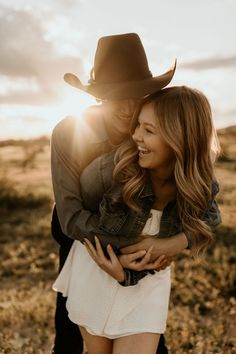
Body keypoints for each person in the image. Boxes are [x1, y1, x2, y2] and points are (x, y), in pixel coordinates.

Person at [53, 86, 221, 354]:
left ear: (180, 138)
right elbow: (72, 219)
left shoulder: (197, 183)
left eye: (148, 130)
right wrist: (117, 261)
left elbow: (211, 218)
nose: (135, 136)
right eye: (138, 126)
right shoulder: (110, 170)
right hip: (97, 272)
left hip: (147, 286)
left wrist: (177, 242)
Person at [51, 33, 180, 354]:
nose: (129, 107)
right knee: (71, 329)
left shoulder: (152, 129)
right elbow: (70, 217)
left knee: (142, 328)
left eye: (138, 95)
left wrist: (165, 245)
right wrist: (120, 253)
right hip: (81, 239)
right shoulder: (70, 131)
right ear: (99, 96)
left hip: (139, 242)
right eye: (116, 95)